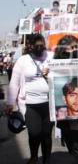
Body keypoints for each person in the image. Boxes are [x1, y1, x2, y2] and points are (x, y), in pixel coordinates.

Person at [6, 34, 53, 164]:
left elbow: (62, 73)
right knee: (34, 133)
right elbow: (14, 83)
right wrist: (10, 103)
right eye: (36, 45)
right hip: (30, 104)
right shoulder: (23, 60)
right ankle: (33, 156)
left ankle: (47, 158)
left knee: (47, 134)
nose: (40, 48)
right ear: (30, 46)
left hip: (49, 104)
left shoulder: (50, 57)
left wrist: (51, 73)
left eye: (42, 45)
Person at [53, 35, 78, 164]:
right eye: (71, 48)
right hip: (70, 124)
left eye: (77, 47)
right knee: (77, 153)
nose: (75, 51)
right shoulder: (56, 65)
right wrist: (48, 76)